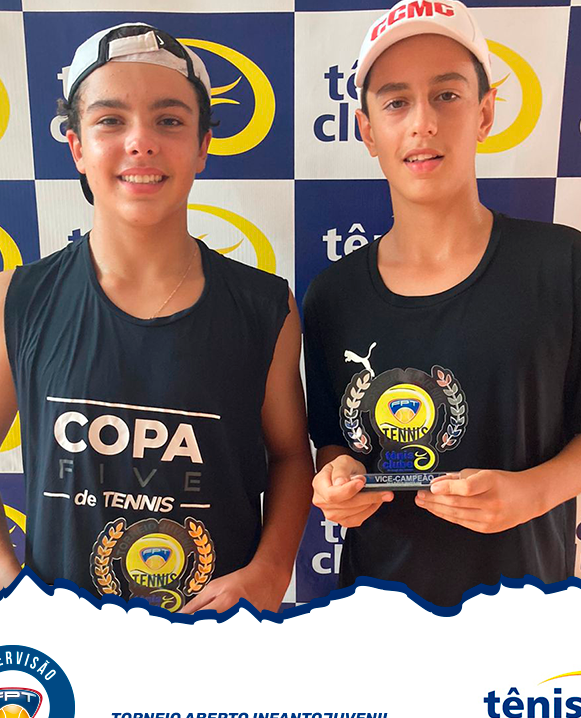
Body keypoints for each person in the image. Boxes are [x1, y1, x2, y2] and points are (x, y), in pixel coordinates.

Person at [0, 23, 313, 614]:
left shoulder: (266, 307)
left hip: (215, 640)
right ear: (77, 147)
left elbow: (292, 457)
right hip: (64, 648)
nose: (140, 142)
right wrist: (13, 589)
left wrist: (270, 572)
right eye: (110, 120)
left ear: (202, 146)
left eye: (169, 120)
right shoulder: (17, 298)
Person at [304, 0, 581, 607]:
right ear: (367, 131)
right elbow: (332, 441)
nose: (422, 123)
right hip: (374, 618)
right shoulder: (332, 295)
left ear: (484, 113)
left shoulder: (563, 264)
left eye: (446, 95)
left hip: (526, 620)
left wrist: (536, 492)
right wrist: (338, 480)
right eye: (396, 102)